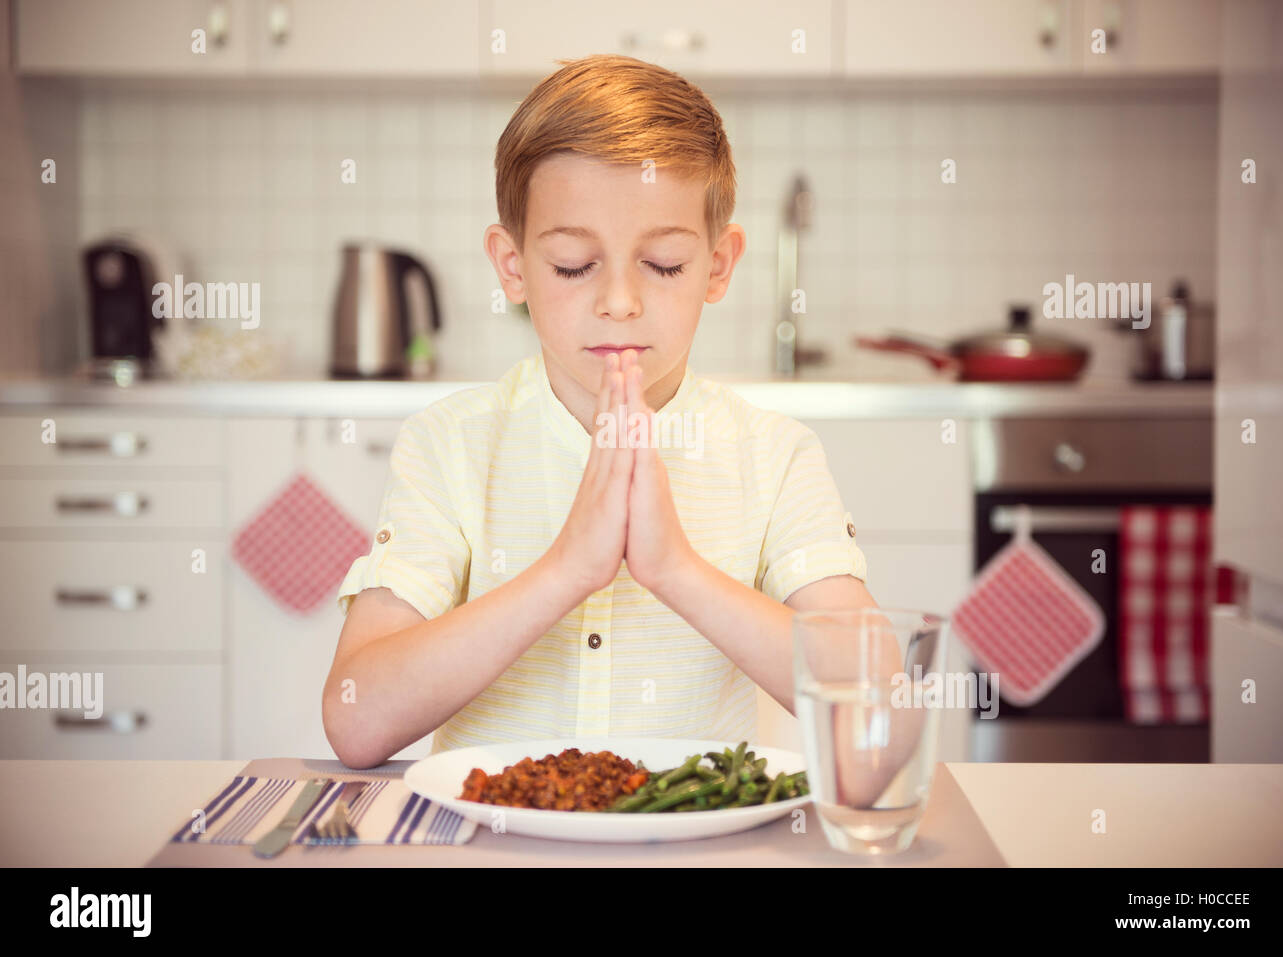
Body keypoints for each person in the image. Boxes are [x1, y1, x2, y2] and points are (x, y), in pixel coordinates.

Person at [324, 54, 880, 769]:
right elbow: (353, 717)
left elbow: (878, 703)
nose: (620, 301)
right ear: (513, 265)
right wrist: (564, 570)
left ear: (718, 265)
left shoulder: (774, 454)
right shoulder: (451, 444)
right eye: (573, 265)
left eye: (666, 264)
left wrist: (676, 568)